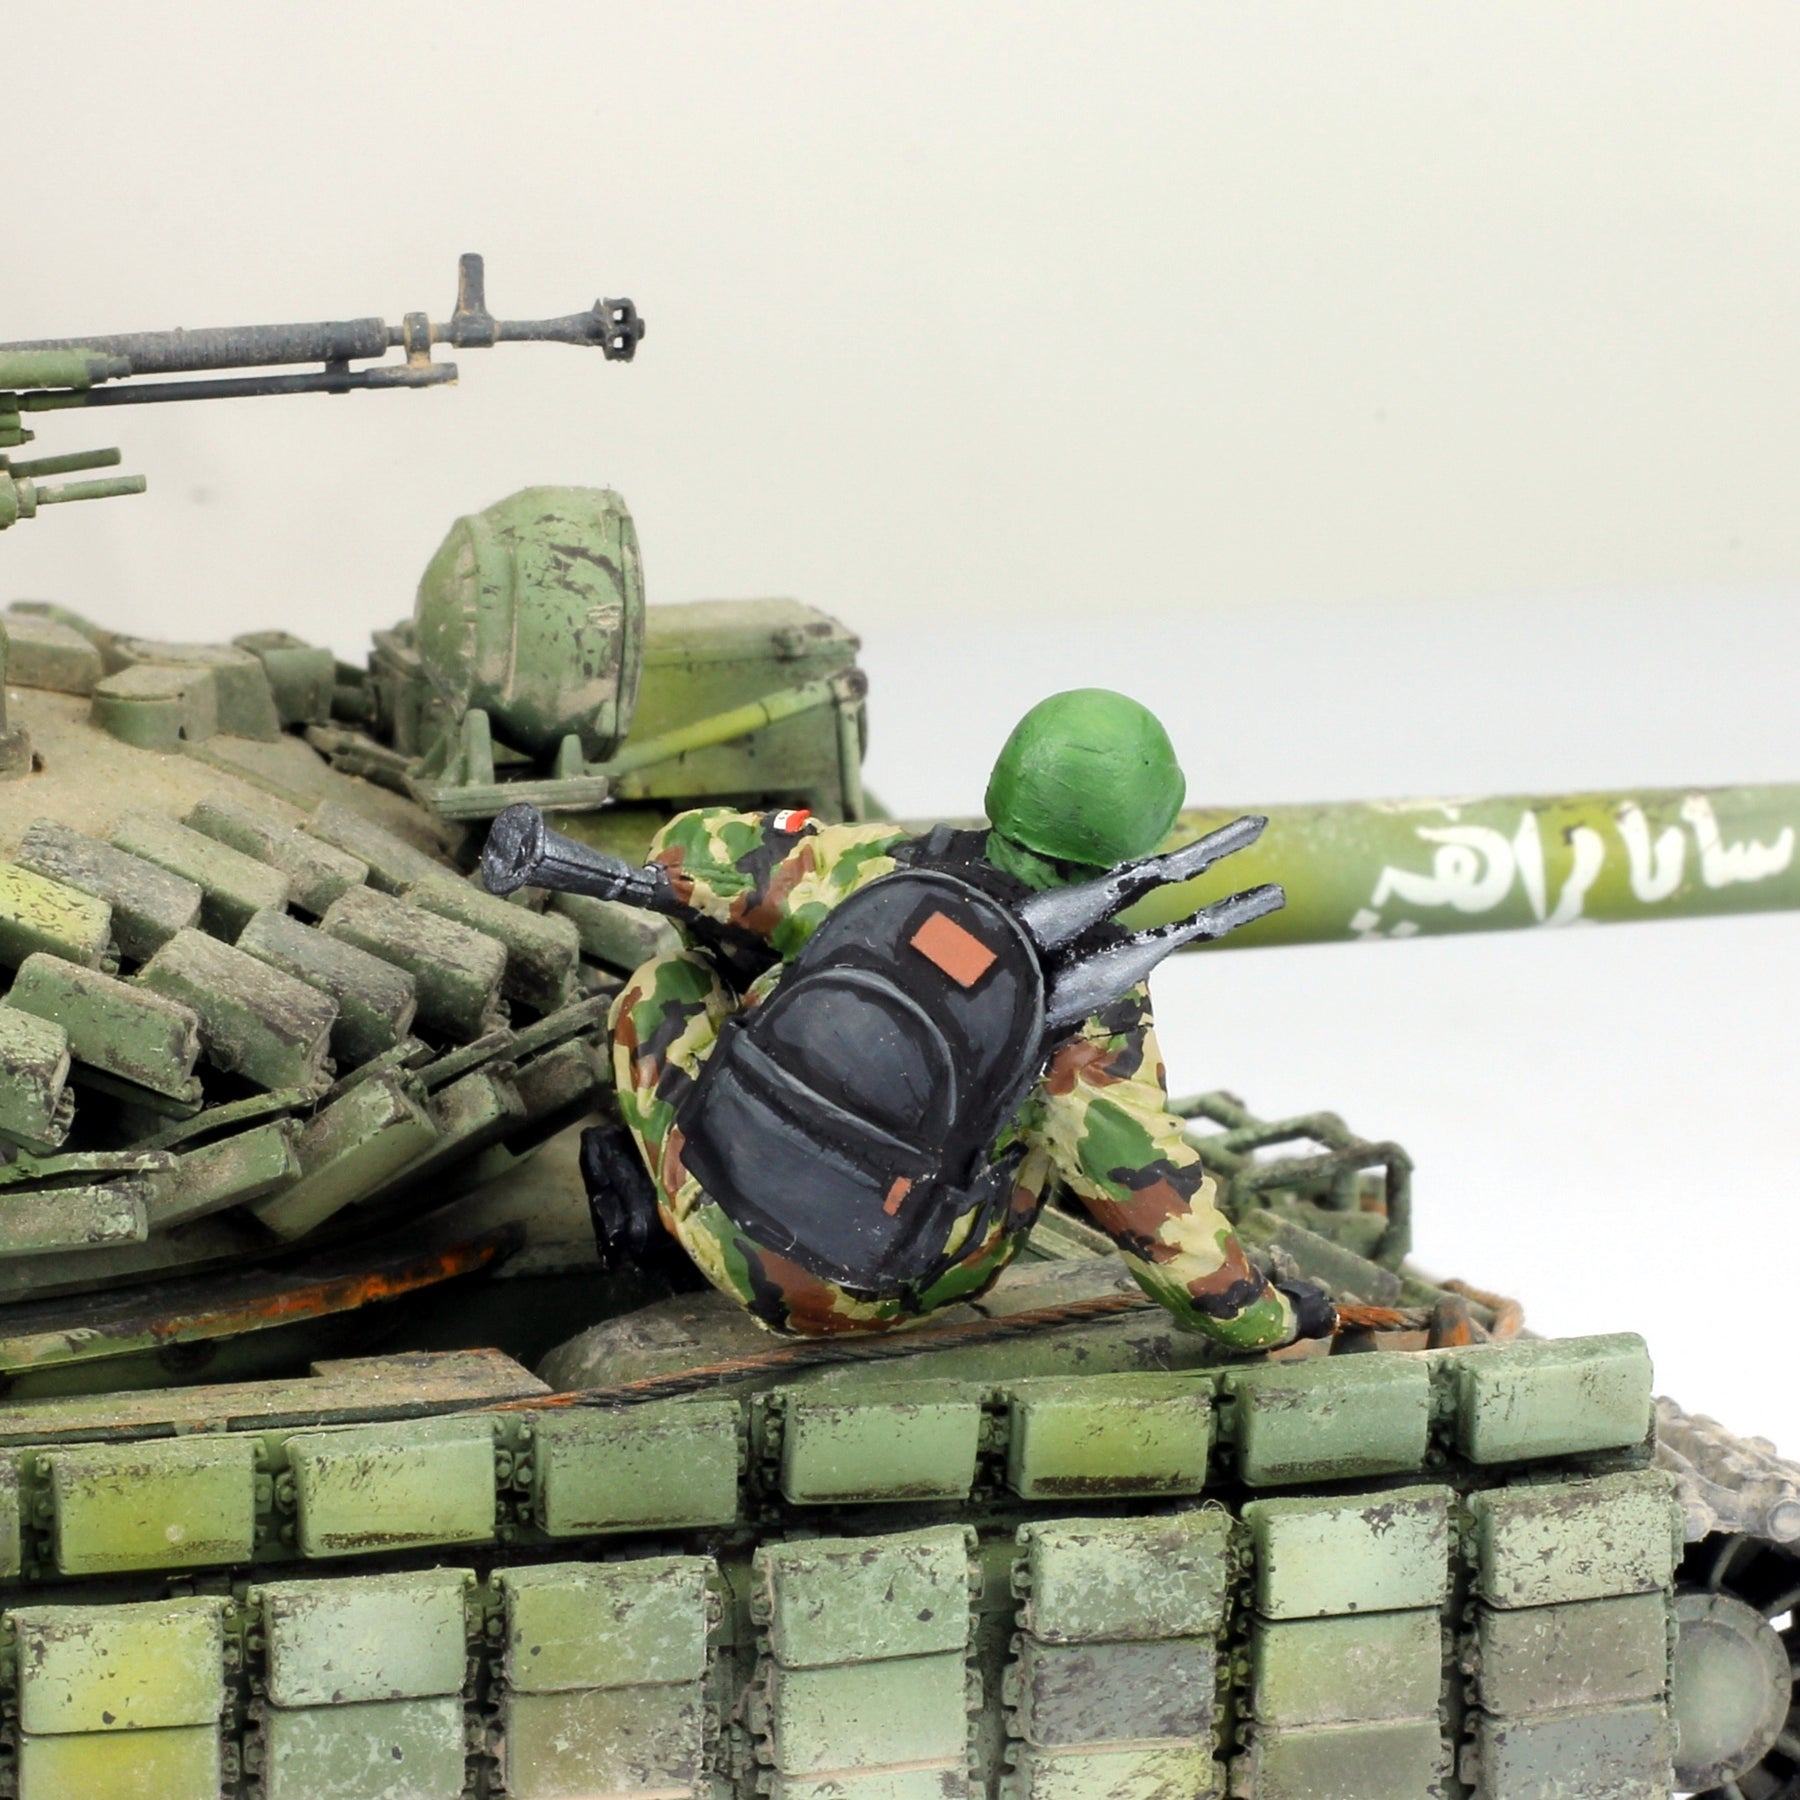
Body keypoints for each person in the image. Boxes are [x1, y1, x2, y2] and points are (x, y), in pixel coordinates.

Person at [483, 688, 1336, 1352]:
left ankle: (683, 1200)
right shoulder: (1098, 1013)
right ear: (1142, 837)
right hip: (849, 1297)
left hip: (715, 1193)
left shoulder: (880, 870)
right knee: (1051, 1131)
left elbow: (684, 852)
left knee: (666, 984)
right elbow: (1154, 1205)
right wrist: (1267, 1319)